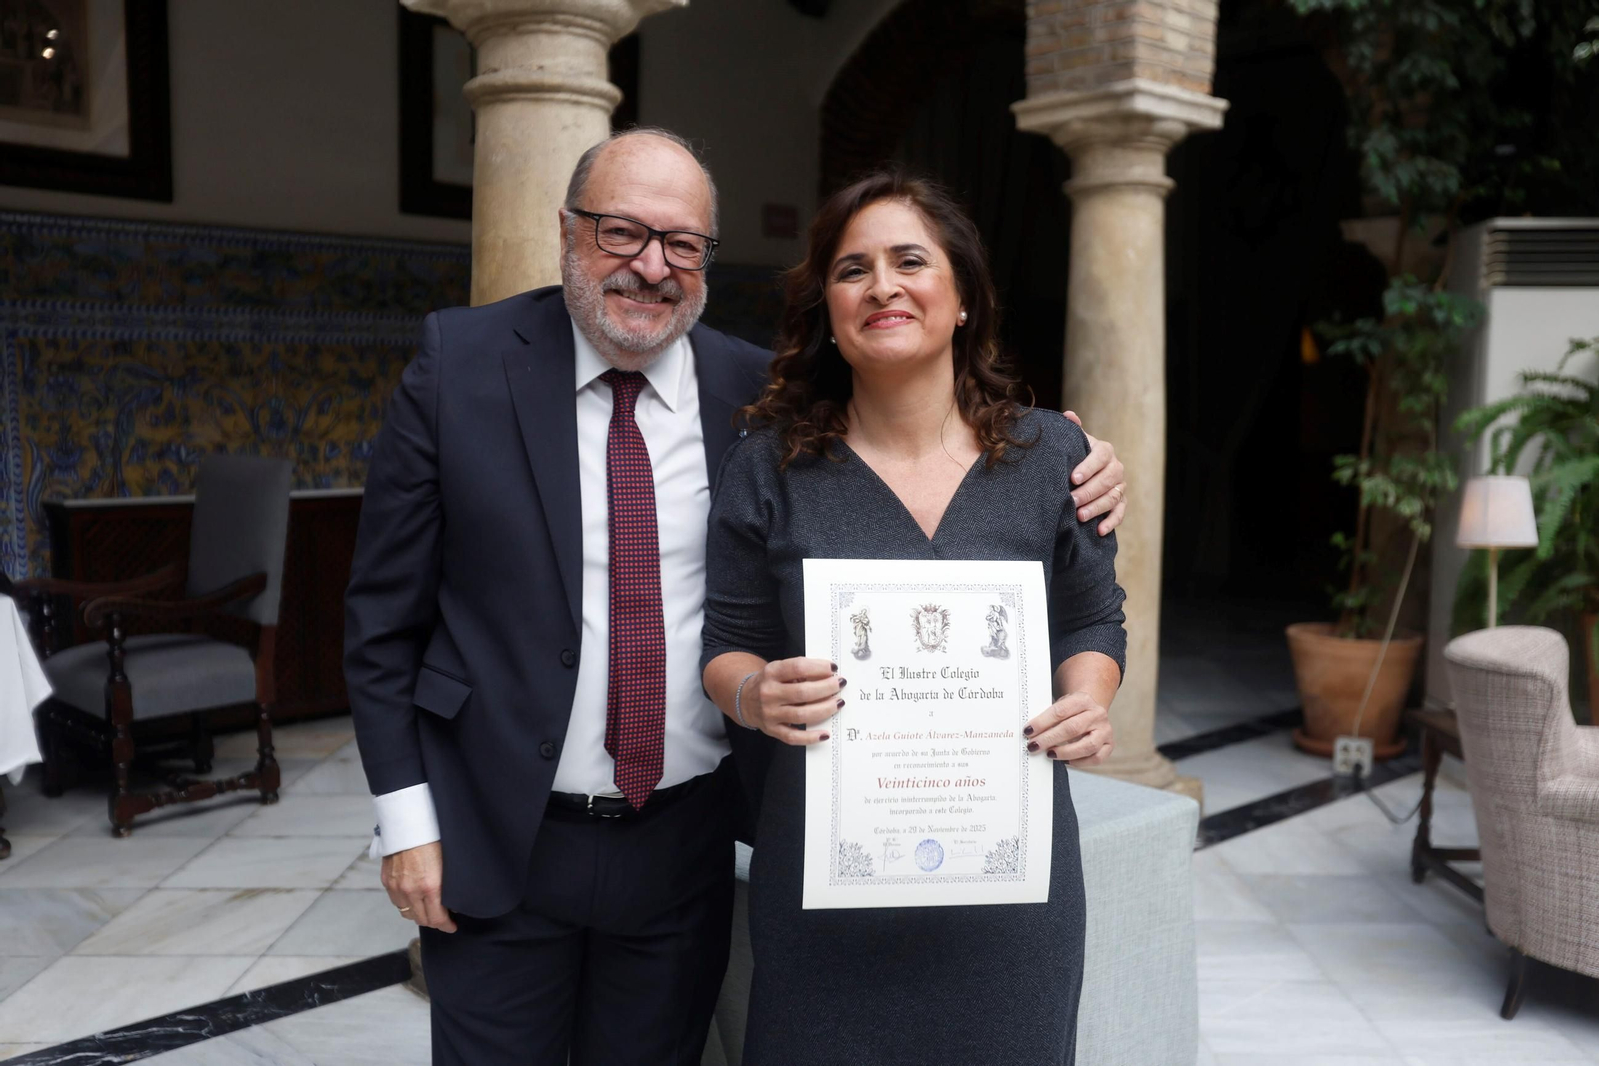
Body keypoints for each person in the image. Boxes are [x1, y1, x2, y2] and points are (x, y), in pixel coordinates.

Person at [346, 130, 1127, 1066]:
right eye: (621, 231)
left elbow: (1070, 586)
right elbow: (382, 621)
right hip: (501, 829)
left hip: (684, 845)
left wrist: (1079, 459)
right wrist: (407, 824)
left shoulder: (756, 398)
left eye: (682, 244)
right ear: (566, 231)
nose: (651, 265)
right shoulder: (465, 363)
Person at [701, 170, 1126, 1066]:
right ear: (828, 305)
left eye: (909, 261)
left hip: (1009, 894)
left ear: (963, 296)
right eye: (853, 269)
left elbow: (1093, 618)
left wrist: (1087, 695)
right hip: (825, 883)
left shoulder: (1055, 455)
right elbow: (725, 646)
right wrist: (753, 695)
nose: (883, 286)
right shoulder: (768, 467)